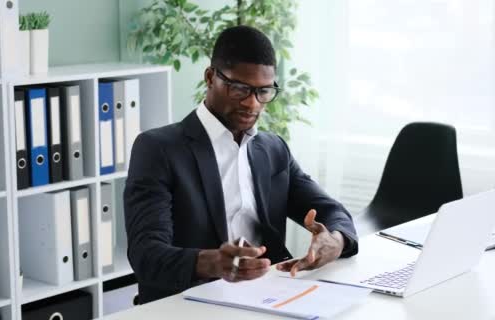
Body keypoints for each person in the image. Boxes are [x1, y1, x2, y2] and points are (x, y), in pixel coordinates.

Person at [124, 25, 358, 304]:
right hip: (191, 301)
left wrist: (336, 240)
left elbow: (332, 211)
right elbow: (146, 254)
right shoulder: (159, 149)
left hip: (267, 298)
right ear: (211, 77)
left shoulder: (272, 150)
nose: (252, 104)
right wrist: (212, 263)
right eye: (239, 89)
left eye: (263, 92)